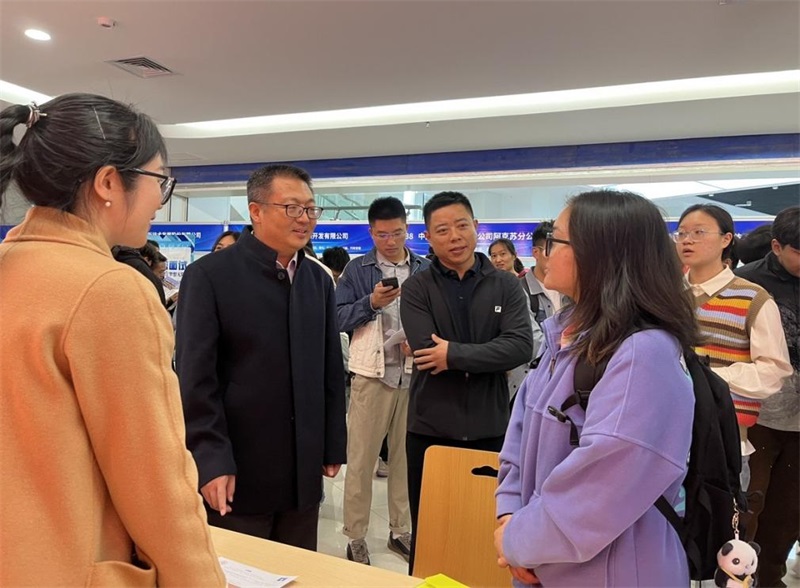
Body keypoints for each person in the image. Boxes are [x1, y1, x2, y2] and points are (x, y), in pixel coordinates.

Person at [0, 94, 225, 586]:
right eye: (159, 180)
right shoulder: (110, 289)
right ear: (108, 183)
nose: (159, 199)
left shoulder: (10, 265)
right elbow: (154, 480)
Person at [495, 190, 699, 586]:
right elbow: (518, 435)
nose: (544, 252)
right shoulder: (565, 335)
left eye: (555, 239)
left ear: (597, 254)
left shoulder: (644, 353)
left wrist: (521, 540)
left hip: (616, 569)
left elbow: (605, 482)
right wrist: (510, 516)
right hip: (545, 559)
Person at [176, 163, 346, 551]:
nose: (304, 218)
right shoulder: (210, 276)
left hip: (302, 468)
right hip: (239, 466)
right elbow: (196, 380)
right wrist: (211, 459)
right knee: (243, 568)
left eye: (311, 209)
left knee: (300, 566)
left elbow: (329, 369)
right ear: (256, 211)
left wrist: (331, 442)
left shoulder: (317, 280)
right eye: (292, 207)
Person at [400, 191, 533, 570]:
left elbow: (520, 346)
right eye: (442, 230)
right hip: (430, 428)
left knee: (484, 535)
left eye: (461, 226)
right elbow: (427, 351)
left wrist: (453, 355)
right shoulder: (417, 288)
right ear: (428, 237)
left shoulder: (506, 285)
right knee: (430, 533)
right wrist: (488, 352)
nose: (454, 236)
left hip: (490, 428)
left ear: (475, 227)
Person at [335, 197, 430, 565]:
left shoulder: (423, 267)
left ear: (408, 229)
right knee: (361, 460)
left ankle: (400, 530)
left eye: (397, 233)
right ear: (371, 232)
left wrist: (419, 339)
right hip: (370, 375)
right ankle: (355, 535)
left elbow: (436, 316)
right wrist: (371, 303)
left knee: (406, 460)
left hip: (413, 375)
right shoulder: (357, 269)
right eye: (382, 235)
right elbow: (337, 317)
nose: (390, 241)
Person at [675, 203, 791, 490]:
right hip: (665, 433)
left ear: (726, 239)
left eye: (699, 232)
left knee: (720, 514)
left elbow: (774, 371)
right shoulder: (665, 294)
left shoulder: (753, 298)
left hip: (723, 439)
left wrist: (707, 377)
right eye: (682, 233)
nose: (688, 240)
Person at [735, 205, 799, 587]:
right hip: (756, 418)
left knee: (789, 512)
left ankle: (771, 578)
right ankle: (739, 576)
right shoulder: (746, 285)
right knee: (748, 503)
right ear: (776, 246)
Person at [521, 221, 569, 327]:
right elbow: (531, 334)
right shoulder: (521, 289)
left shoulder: (569, 287)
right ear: (536, 253)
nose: (556, 257)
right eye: (551, 250)